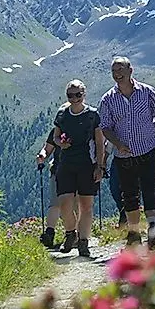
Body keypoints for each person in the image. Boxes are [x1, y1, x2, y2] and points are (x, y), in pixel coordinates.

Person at [98, 56, 155, 248]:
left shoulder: (147, 92)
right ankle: (134, 234)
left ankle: (154, 231)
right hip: (124, 156)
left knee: (150, 191)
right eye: (114, 71)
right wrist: (117, 144)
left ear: (130, 70)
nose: (117, 74)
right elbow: (105, 127)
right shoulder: (108, 99)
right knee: (129, 195)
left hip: (148, 150)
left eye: (120, 69)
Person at [51, 79, 105, 257]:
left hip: (87, 164)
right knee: (65, 203)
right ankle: (70, 233)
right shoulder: (62, 114)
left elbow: (99, 142)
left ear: (84, 94)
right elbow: (56, 137)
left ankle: (83, 242)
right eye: (70, 95)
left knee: (86, 206)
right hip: (66, 163)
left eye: (78, 95)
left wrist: (100, 166)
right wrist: (61, 144)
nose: (74, 98)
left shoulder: (92, 115)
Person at [35, 128, 78, 248]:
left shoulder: (82, 126)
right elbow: (47, 149)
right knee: (57, 203)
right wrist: (42, 155)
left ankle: (74, 235)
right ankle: (52, 233)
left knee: (73, 204)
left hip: (78, 170)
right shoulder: (57, 131)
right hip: (59, 171)